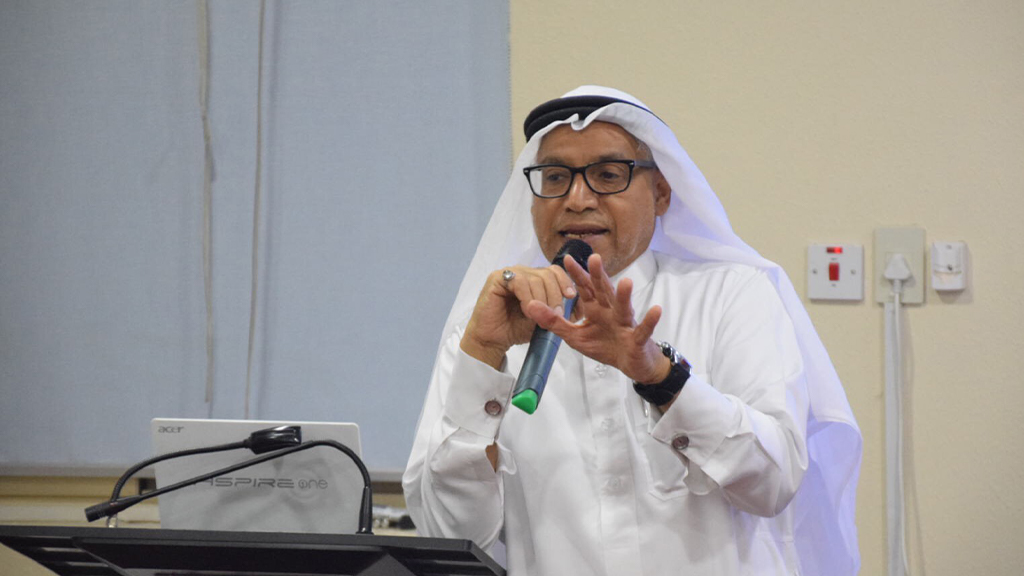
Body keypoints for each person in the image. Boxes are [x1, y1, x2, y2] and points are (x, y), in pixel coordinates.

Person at [403, 86, 861, 576]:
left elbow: (773, 483)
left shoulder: (732, 294)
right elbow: (449, 534)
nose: (577, 200)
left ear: (661, 193)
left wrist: (661, 377)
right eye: (556, 177)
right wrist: (483, 356)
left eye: (607, 175)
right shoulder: (490, 331)